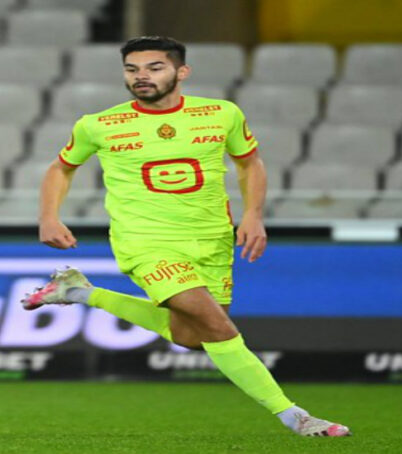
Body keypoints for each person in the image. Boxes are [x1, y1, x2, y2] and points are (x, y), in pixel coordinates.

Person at [21, 36, 350, 437]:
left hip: (213, 239)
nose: (141, 76)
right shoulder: (99, 124)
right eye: (132, 69)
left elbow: (249, 163)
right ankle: (295, 416)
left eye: (154, 67)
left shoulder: (221, 114)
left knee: (192, 337)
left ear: (182, 72)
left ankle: (78, 292)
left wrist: (253, 214)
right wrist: (48, 217)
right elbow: (61, 168)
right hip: (146, 241)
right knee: (219, 328)